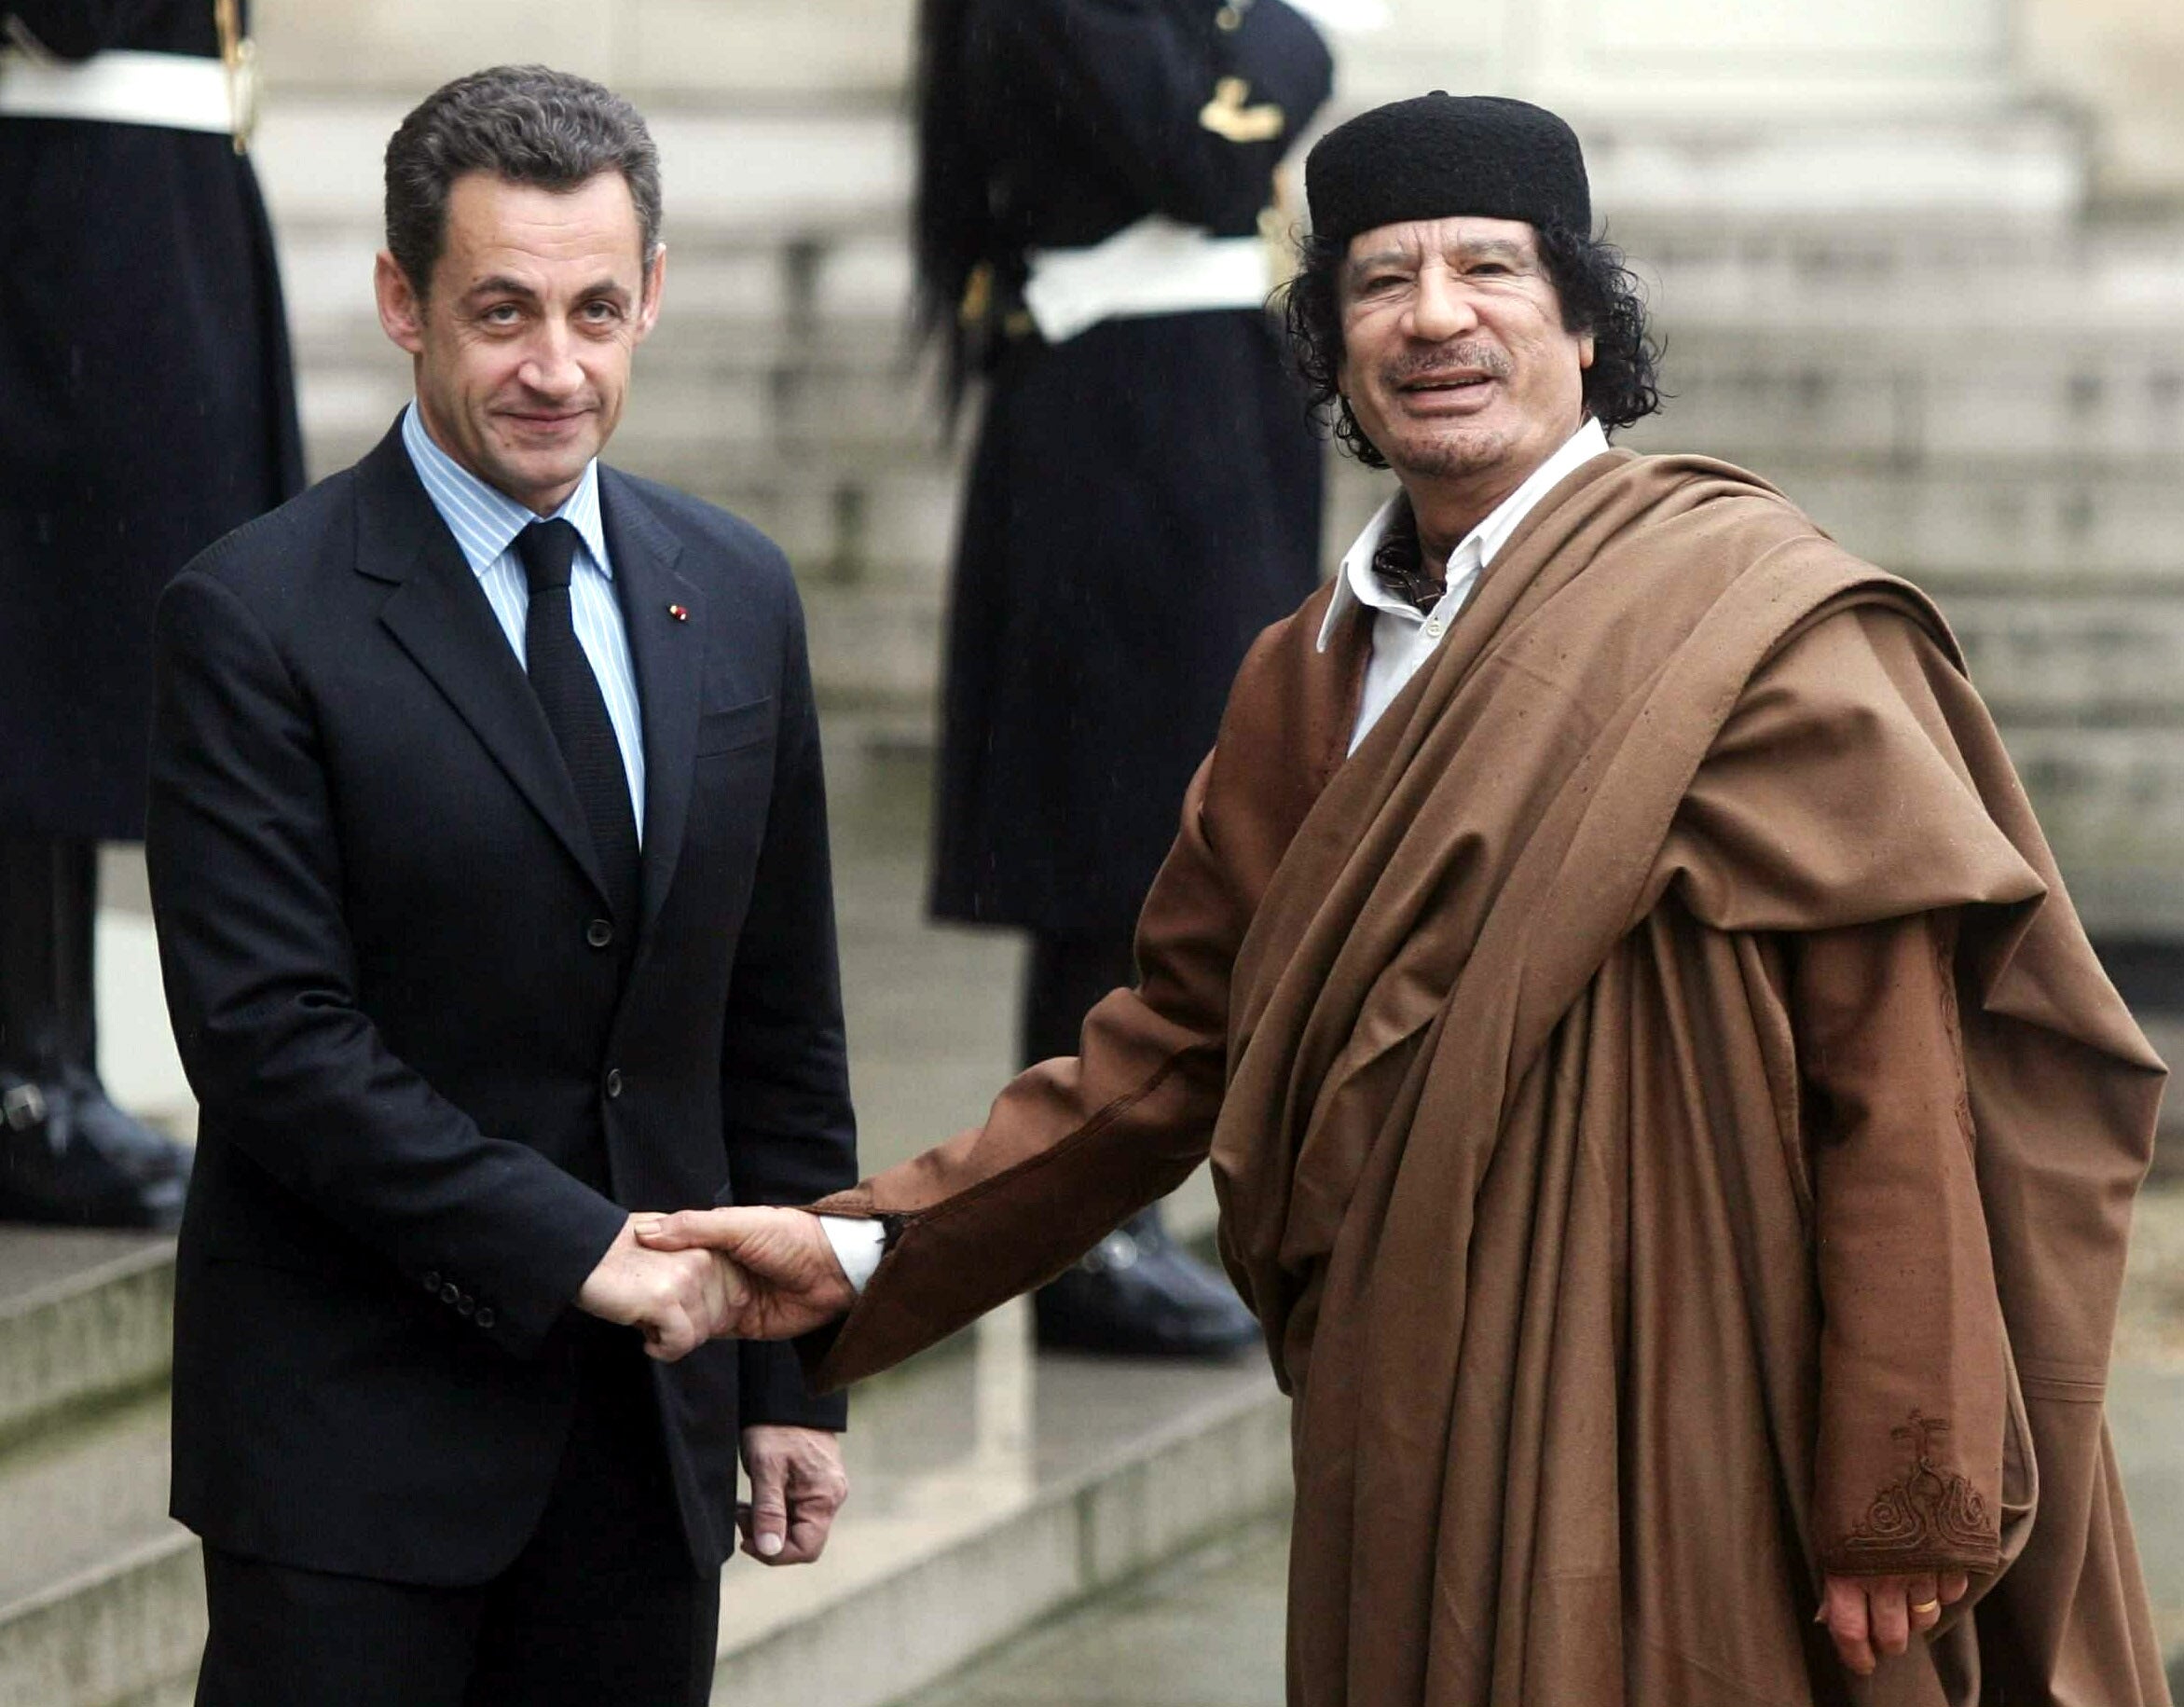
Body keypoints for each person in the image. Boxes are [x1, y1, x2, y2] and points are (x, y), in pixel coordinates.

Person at [638, 93, 2173, 1705]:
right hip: (1409, 1419)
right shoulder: (1305, 678)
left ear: (1585, 320)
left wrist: (1901, 1485)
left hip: (1709, 1413)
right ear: (1334, 349)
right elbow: (1165, 1057)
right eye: (1379, 283)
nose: (1435, 318)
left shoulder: (1757, 623)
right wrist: (869, 1252)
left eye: (1490, 270)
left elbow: (1899, 1083)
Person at [144, 66, 856, 1705]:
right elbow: (271, 1041)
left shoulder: (736, 592)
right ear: (402, 301)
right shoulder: (250, 618)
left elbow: (778, 1020)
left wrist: (797, 1381)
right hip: (348, 1453)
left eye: (599, 309)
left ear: (654, 297)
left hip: (651, 1444)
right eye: (502, 311)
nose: (557, 368)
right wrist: (577, 1246)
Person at [912, 0, 1336, 1354]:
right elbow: (1195, 154)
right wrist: (1299, 32)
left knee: (1209, 803)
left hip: (1202, 399)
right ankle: (1081, 1226)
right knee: (1127, 833)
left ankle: (1134, 1193)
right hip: (1129, 419)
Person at [0, 0, 302, 1227]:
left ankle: (56, 1065)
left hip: (150, 203)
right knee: (39, 651)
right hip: (74, 209)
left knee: (80, 649)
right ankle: (27, 1081)